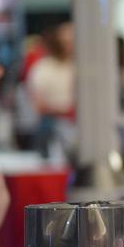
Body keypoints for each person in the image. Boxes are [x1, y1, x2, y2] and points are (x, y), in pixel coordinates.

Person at [28, 22, 75, 157]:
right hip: (51, 125)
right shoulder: (42, 68)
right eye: (66, 42)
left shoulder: (77, 67)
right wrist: (65, 111)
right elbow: (38, 106)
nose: (70, 46)